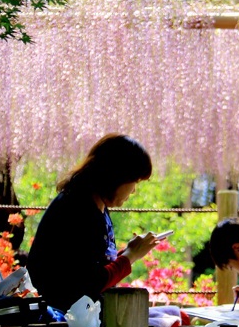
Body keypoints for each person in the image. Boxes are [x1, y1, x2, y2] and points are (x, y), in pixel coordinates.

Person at [26, 134, 162, 313]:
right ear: (117, 176)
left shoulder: (96, 205)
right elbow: (90, 283)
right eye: (134, 181)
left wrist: (129, 252)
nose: (134, 190)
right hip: (62, 320)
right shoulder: (77, 209)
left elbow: (93, 266)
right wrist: (130, 256)